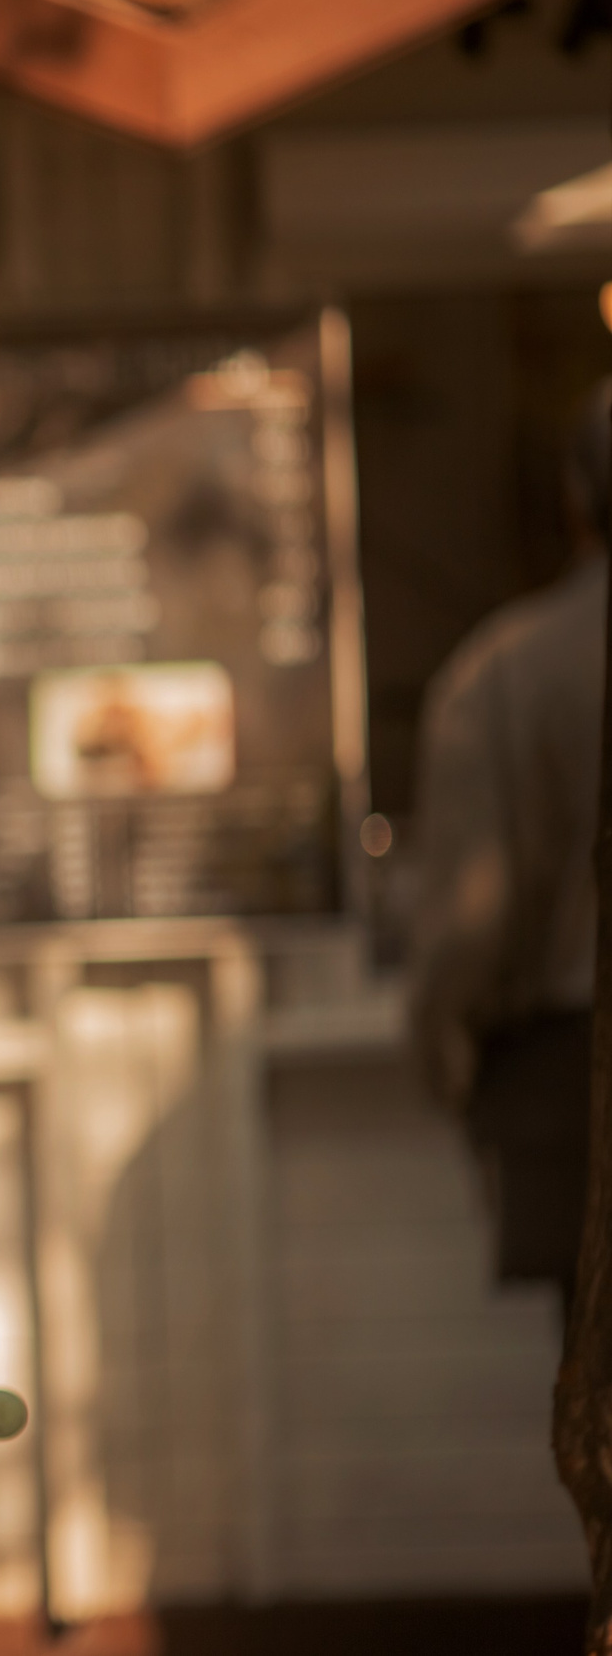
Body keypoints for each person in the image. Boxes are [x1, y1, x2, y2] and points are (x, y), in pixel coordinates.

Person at [409, 381, 608, 1306]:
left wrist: (441, 1038)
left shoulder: (505, 671)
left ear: (575, 497)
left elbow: (469, 921)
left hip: (576, 1084)